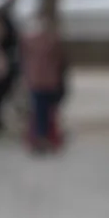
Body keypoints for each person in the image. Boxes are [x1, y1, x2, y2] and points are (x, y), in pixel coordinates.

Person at [20, 15, 67, 153]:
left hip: (38, 81)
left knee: (40, 111)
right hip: (48, 81)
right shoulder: (52, 41)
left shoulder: (29, 41)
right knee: (46, 111)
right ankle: (45, 137)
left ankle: (42, 137)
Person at [0, 0, 20, 137]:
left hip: (3, 63)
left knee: (1, 91)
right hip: (0, 63)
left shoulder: (5, 20)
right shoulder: (0, 21)